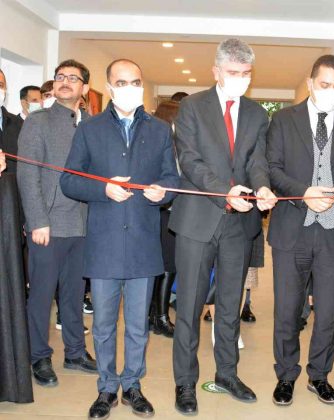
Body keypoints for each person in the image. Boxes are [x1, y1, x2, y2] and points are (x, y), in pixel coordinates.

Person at [60, 58, 180, 419]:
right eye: (122, 82)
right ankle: (107, 387)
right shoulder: (90, 129)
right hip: (105, 242)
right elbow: (69, 179)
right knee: (103, 324)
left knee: (139, 325)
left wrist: (163, 192)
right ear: (110, 87)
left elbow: (172, 178)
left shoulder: (159, 130)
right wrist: (103, 189)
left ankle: (133, 385)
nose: (130, 88)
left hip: (143, 240)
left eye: (135, 82)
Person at [168, 38, 277, 415]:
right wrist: (225, 191)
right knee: (189, 306)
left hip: (239, 224)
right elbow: (190, 160)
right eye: (233, 72)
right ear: (216, 71)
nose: (240, 79)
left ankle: (227, 374)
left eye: (246, 74)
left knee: (230, 306)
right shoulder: (192, 107)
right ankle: (185, 383)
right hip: (198, 219)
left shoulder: (257, 114)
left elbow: (258, 160)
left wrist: (262, 187)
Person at [266, 54, 334, 406]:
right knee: (287, 311)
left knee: (328, 313)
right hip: (292, 230)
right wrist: (302, 193)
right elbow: (273, 169)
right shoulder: (283, 120)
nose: (331, 92)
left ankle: (319, 375)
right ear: (311, 83)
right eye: (325, 85)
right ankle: (286, 374)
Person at [17, 59, 97, 388]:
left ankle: (75, 352)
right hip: (48, 225)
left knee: (74, 294)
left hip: (84, 225)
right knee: (41, 296)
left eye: (73, 78)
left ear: (84, 88)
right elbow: (27, 174)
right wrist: (37, 220)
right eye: (60, 77)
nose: (65, 82)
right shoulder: (39, 122)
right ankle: (39, 356)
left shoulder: (93, 124)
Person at [0, 68, 33, 404]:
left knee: (10, 296)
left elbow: (26, 175)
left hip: (10, 220)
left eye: (0, 84)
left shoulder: (16, 125)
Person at [150, 99, 180, 337]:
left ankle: (154, 316)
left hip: (164, 213)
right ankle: (160, 317)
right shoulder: (166, 145)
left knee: (162, 267)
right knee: (167, 267)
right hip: (164, 213)